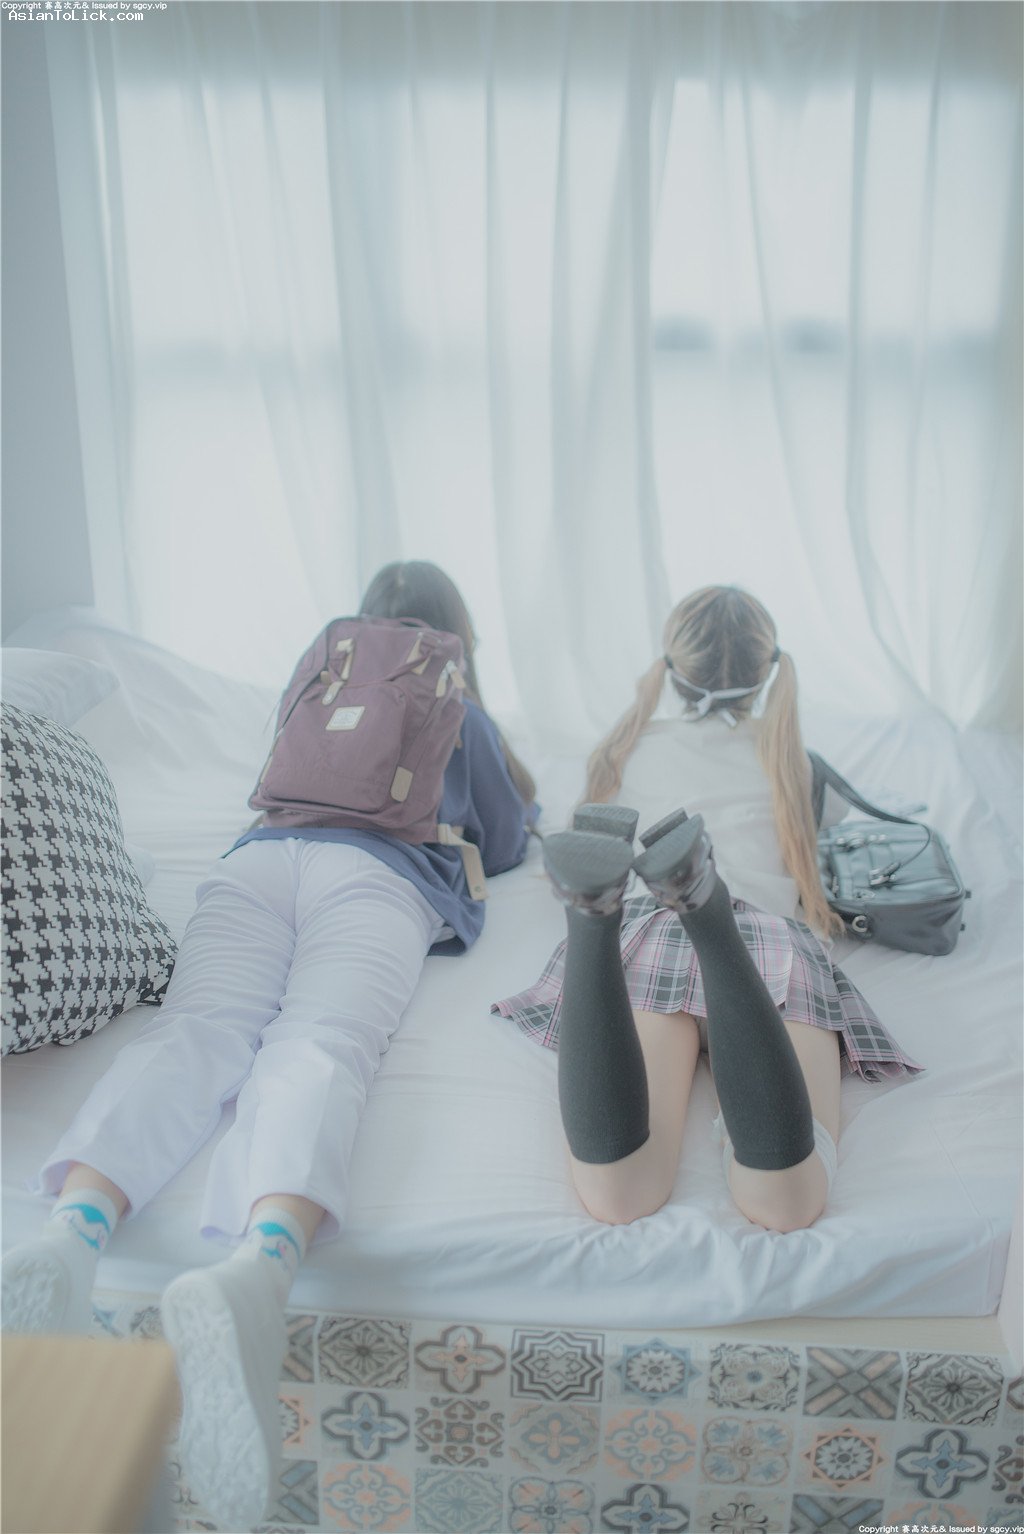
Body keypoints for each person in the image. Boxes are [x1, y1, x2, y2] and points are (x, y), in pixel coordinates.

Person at [2, 561, 537, 1532]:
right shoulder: (455, 694)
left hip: (255, 863)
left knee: (194, 1031)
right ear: (452, 630)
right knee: (318, 1041)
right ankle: (259, 1263)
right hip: (374, 879)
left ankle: (71, 1233)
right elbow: (501, 843)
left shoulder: (328, 673)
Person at [493, 585, 920, 1234]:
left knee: (621, 1194)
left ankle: (594, 918)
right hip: (770, 944)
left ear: (672, 669)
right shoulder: (792, 760)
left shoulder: (625, 748)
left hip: (648, 928)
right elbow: (842, 837)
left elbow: (584, 810)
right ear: (768, 672)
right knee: (788, 1200)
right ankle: (707, 905)